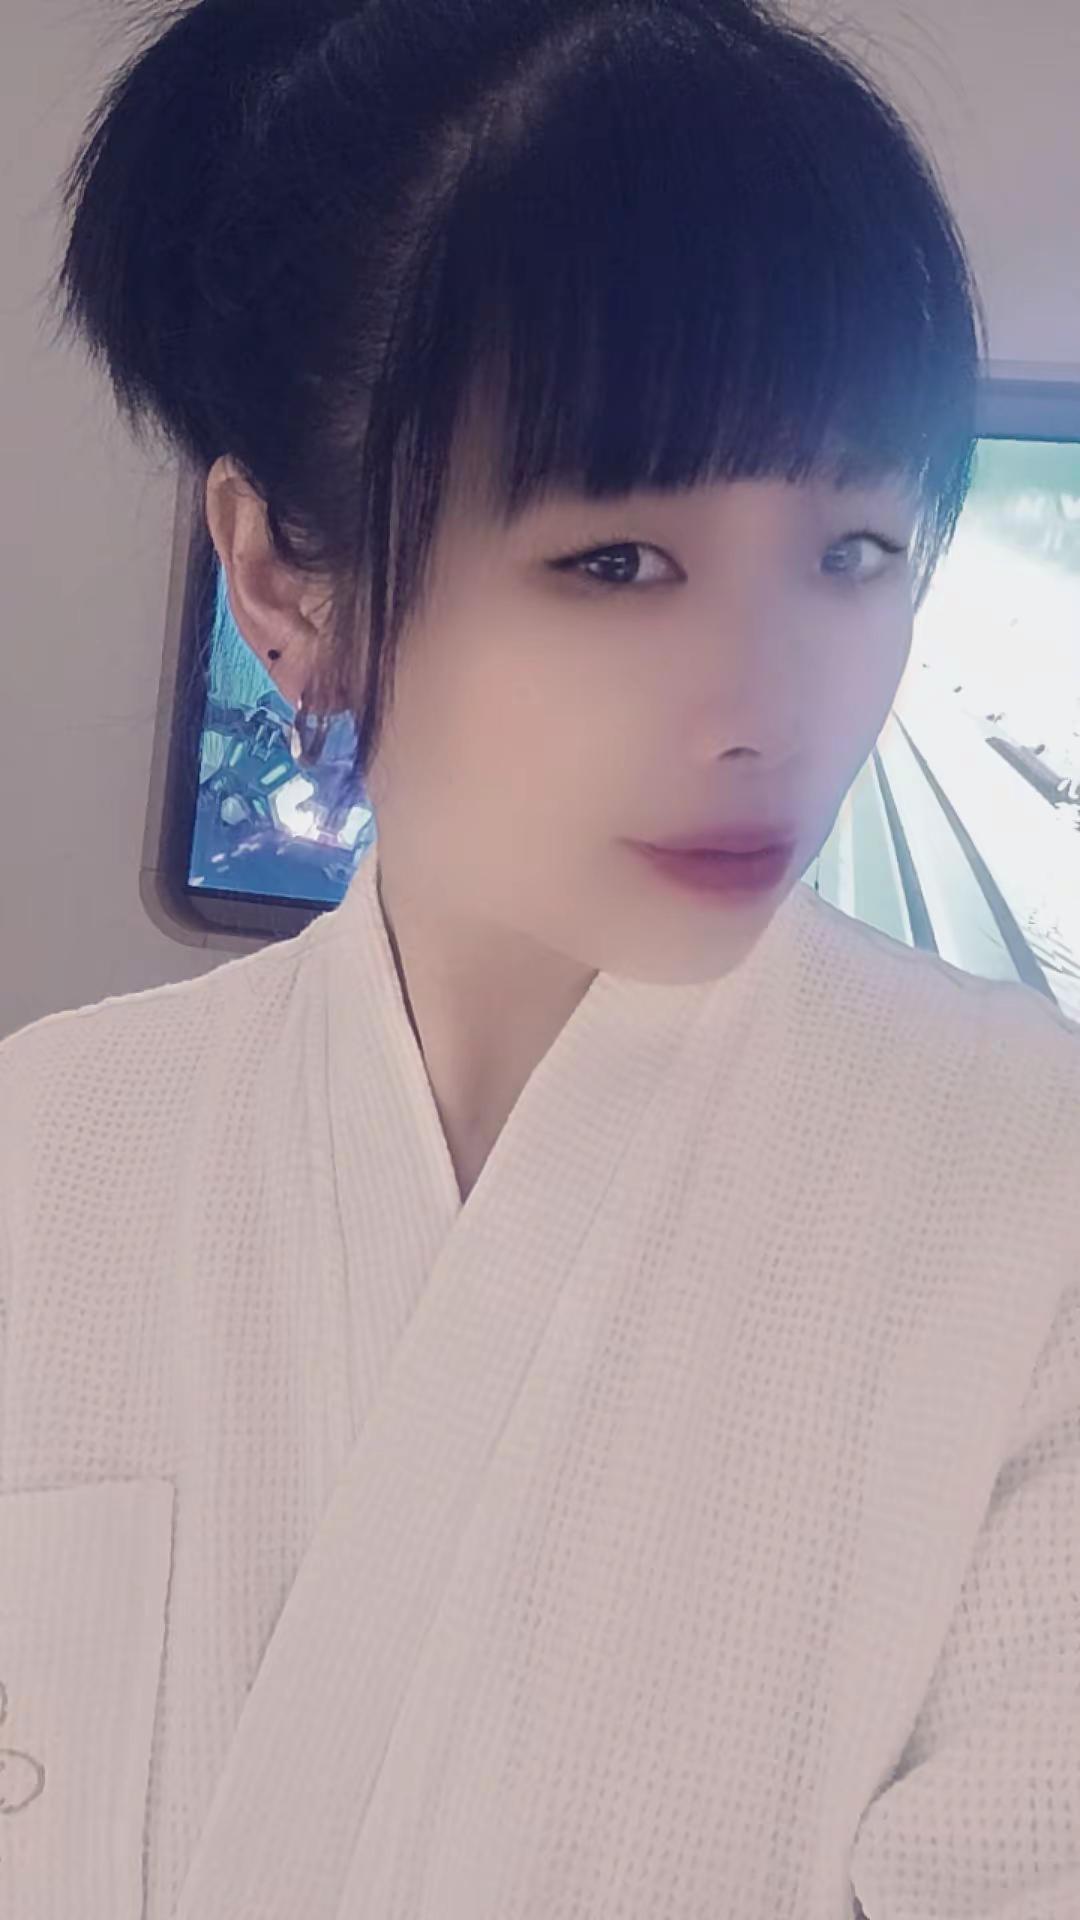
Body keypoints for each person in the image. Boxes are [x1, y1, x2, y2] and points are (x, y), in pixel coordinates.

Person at [2, 0, 1077, 1915]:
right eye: (618, 564)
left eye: (854, 549)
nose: (768, 711)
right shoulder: (43, 1153)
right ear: (281, 576)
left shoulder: (1037, 1198)